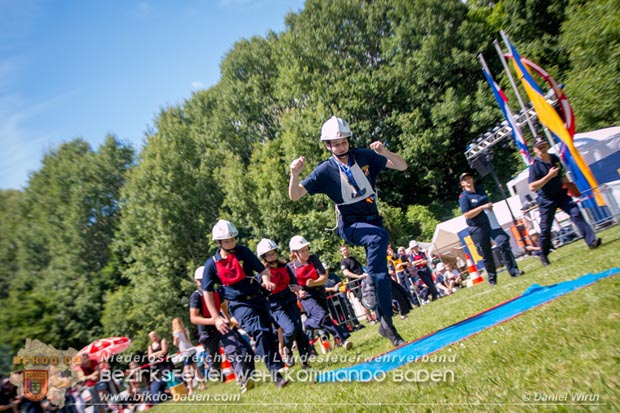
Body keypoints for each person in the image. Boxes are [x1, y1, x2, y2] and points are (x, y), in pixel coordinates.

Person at [288, 115, 408, 347]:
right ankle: (369, 282)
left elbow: (402, 166)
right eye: (336, 144)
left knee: (383, 276)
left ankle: (388, 326)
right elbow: (295, 196)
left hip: (373, 220)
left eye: (344, 142)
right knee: (380, 238)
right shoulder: (324, 170)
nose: (341, 147)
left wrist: (385, 152)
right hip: (350, 225)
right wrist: (294, 174)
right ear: (327, 145)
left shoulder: (365, 156)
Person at [201, 220, 288, 389]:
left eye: (233, 239)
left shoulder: (243, 252)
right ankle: (275, 373)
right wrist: (216, 317)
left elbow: (262, 270)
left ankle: (277, 367)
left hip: (257, 298)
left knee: (268, 334)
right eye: (227, 240)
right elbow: (207, 291)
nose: (232, 243)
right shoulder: (211, 264)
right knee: (260, 332)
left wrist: (266, 280)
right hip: (238, 305)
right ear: (218, 242)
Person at [528, 135, 602, 266]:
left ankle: (591, 241)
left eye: (544, 146)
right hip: (547, 200)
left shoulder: (554, 159)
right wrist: (549, 176)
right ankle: (543, 254)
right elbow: (532, 186)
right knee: (546, 229)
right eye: (539, 147)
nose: (542, 149)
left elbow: (561, 176)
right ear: (535, 149)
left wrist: (571, 186)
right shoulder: (535, 166)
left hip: (561, 195)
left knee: (576, 213)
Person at [189, 265, 255, 392]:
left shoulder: (218, 292)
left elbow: (223, 305)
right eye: (202, 280)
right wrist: (214, 320)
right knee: (215, 361)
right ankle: (216, 369)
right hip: (206, 332)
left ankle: (243, 380)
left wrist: (227, 319)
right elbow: (194, 318)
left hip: (222, 327)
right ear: (197, 282)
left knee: (234, 349)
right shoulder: (196, 296)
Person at [287, 235, 353, 350]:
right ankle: (343, 338)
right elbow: (290, 285)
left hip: (319, 292)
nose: (306, 252)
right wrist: (298, 290)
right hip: (306, 297)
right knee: (323, 317)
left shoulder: (313, 259)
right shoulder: (290, 267)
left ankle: (307, 324)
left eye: (307, 249)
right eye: (302, 251)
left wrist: (314, 283)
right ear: (295, 253)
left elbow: (324, 277)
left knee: (323, 318)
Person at [256, 238, 313, 369]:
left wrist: (300, 291)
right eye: (269, 254)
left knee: (299, 330)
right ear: (264, 257)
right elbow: (260, 293)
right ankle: (287, 348)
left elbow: (293, 283)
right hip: (276, 305)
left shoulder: (285, 266)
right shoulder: (263, 273)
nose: (272, 256)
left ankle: (305, 363)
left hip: (289, 300)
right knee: (290, 330)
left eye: (273, 253)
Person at [458, 172, 524, 284]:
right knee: (486, 253)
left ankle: (513, 270)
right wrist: (482, 207)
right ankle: (492, 279)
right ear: (462, 184)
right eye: (465, 179)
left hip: (491, 222)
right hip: (477, 226)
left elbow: (488, 203)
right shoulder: (464, 197)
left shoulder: (480, 190)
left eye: (469, 177)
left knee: (503, 241)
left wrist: (489, 208)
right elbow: (467, 214)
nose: (468, 180)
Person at [339, 245, 375, 324]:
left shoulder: (352, 258)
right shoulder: (344, 262)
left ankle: (371, 317)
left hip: (363, 281)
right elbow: (346, 273)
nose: (346, 251)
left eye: (346, 249)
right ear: (341, 253)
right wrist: (358, 276)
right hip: (355, 284)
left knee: (368, 298)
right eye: (343, 250)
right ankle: (370, 319)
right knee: (363, 301)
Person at [171, 317, 204, 394]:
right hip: (191, 350)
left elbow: (175, 344)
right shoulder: (185, 329)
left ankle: (191, 389)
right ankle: (203, 384)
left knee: (187, 371)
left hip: (185, 353)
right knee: (196, 368)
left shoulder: (176, 332)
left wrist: (174, 341)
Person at [146, 332, 170, 403]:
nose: (154, 337)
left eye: (154, 335)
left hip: (167, 364)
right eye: (152, 336)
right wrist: (159, 353)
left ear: (157, 335)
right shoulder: (150, 346)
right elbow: (150, 356)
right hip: (158, 367)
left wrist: (154, 354)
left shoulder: (162, 341)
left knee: (170, 378)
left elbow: (164, 351)